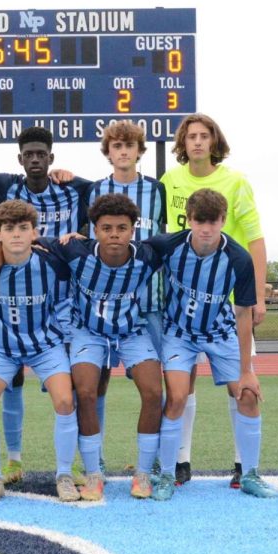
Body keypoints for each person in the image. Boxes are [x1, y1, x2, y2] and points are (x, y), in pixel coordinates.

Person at [34, 193, 172, 502]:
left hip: (131, 332)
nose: (114, 234)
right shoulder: (76, 250)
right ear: (94, 230)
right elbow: (33, 241)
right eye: (107, 228)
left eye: (121, 228)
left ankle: (143, 473)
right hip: (89, 332)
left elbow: (186, 239)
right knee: (84, 392)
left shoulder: (147, 255)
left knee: (153, 392)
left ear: (133, 230)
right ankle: (94, 473)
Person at [0, 126, 92, 484]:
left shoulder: (73, 188)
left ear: (52, 158)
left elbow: (106, 194)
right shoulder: (6, 186)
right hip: (11, 312)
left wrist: (81, 236)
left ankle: (76, 467)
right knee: (11, 386)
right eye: (30, 155)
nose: (36, 160)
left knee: (79, 391)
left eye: (42, 154)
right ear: (21, 159)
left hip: (60, 304)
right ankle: (11, 463)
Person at [159, 113, 267, 487]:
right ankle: (178, 463)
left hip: (228, 302)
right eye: (192, 136)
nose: (199, 142)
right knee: (180, 388)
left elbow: (255, 239)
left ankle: (244, 468)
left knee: (244, 386)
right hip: (181, 306)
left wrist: (258, 297)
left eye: (205, 136)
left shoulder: (236, 182)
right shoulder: (169, 181)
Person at [147, 188, 276, 498]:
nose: (206, 229)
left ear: (223, 221)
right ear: (188, 220)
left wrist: (247, 370)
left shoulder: (238, 258)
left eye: (213, 221)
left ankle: (250, 474)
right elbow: (127, 255)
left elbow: (244, 314)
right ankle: (165, 474)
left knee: (247, 394)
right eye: (199, 221)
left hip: (220, 332)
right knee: (176, 397)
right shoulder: (168, 245)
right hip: (179, 333)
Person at [0, 201, 80, 502]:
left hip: (45, 346)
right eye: (9, 229)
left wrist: (77, 238)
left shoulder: (51, 262)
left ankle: (64, 474)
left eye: (23, 228)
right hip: (2, 349)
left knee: (66, 401)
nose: (16, 235)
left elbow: (81, 250)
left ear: (34, 233)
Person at [86, 121, 166, 475]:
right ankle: (96, 460)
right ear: (108, 152)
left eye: (129, 145)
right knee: (96, 382)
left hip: (149, 301)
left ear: (139, 150)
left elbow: (167, 238)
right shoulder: (93, 190)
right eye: (116, 145)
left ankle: (159, 460)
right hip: (101, 305)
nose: (123, 151)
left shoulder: (157, 190)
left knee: (156, 385)